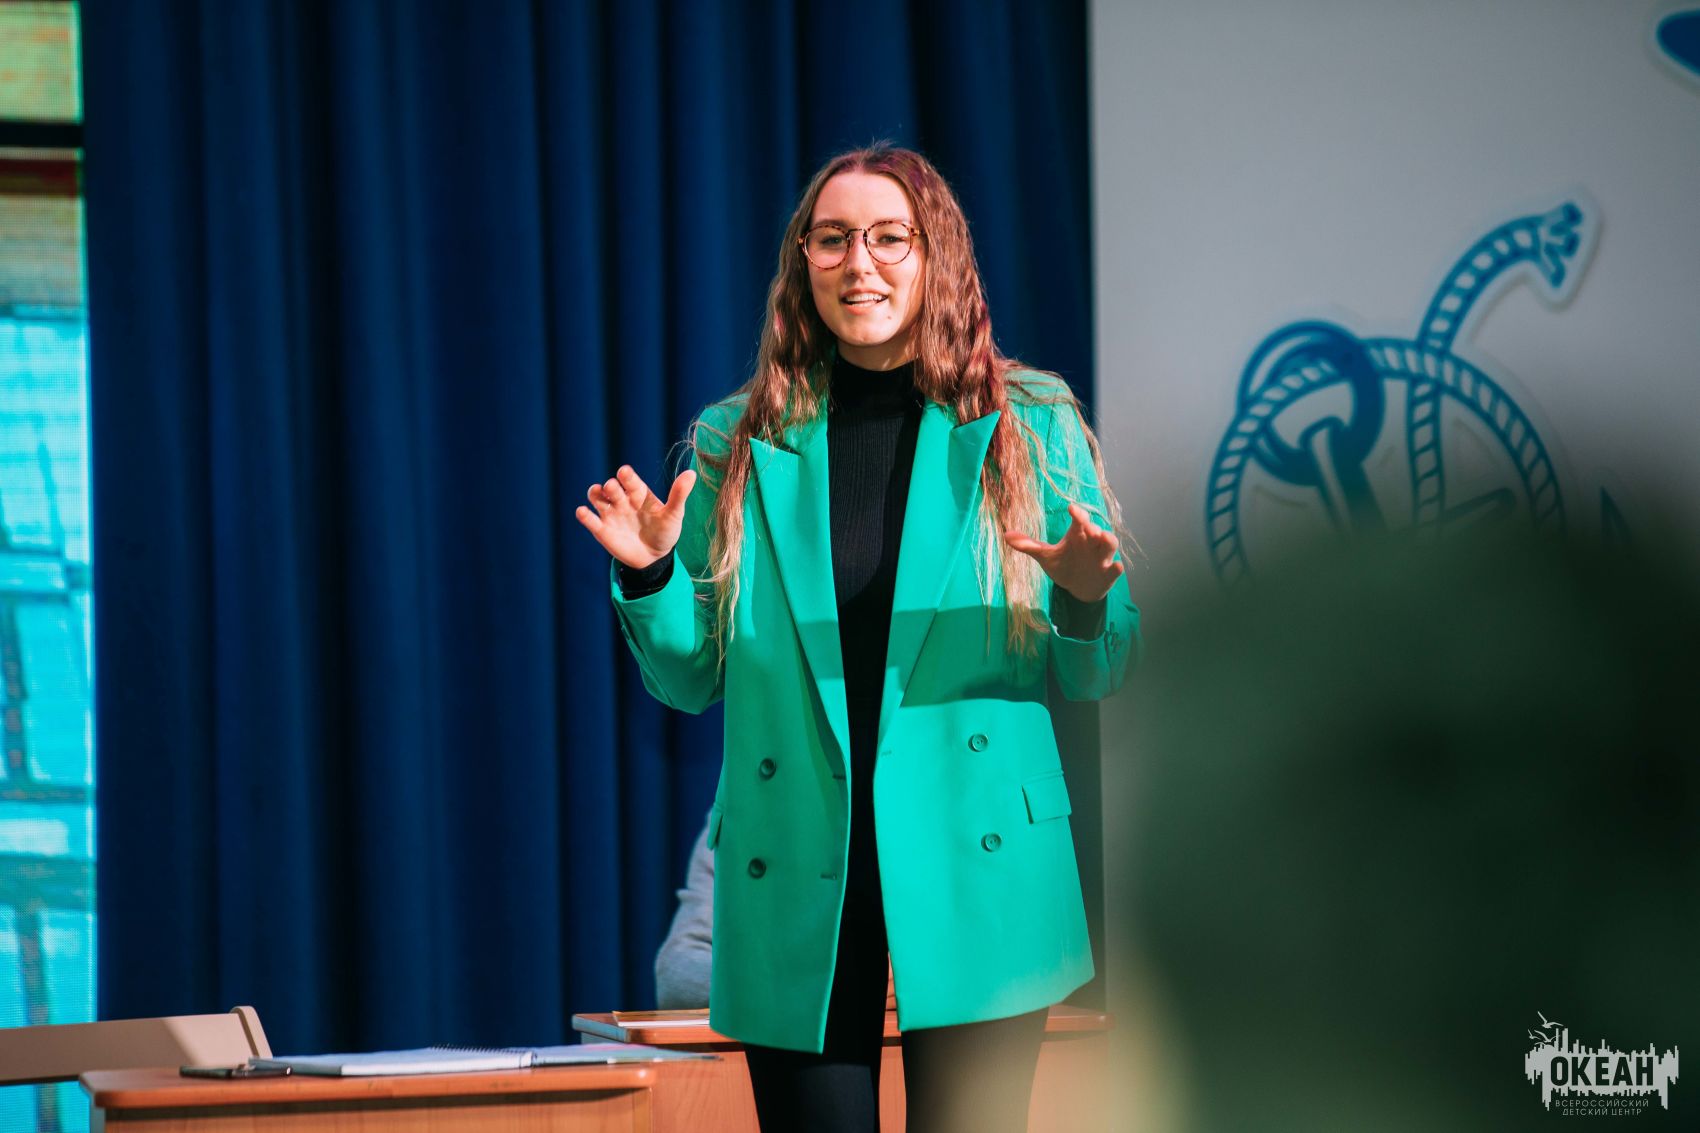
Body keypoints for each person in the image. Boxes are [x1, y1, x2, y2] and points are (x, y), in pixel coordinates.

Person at [578, 145, 1139, 1133]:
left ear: (935, 255)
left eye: (888, 237)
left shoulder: (1028, 420)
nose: (858, 263)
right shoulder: (736, 438)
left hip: (977, 852)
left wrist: (1085, 601)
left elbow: (1100, 669)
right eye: (831, 238)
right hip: (802, 858)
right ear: (802, 259)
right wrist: (653, 573)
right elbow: (689, 677)